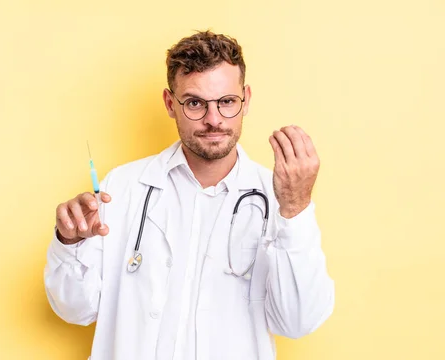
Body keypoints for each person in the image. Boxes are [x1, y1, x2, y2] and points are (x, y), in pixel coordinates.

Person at [44, 30, 334, 360]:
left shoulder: (278, 198)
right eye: (195, 103)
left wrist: (295, 209)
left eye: (226, 102)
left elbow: (298, 322)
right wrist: (70, 243)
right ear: (170, 103)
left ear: (246, 100)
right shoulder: (121, 187)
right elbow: (74, 310)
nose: (214, 120)